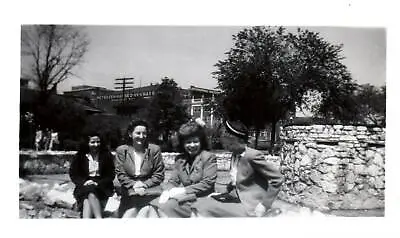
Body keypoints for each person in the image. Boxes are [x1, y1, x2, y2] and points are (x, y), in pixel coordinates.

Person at [192, 120, 284, 217]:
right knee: (199, 202)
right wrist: (221, 193)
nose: (226, 147)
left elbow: (277, 179)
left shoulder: (252, 156)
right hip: (237, 199)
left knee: (205, 207)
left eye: (229, 144)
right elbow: (238, 181)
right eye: (225, 144)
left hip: (250, 205)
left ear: (238, 141)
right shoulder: (234, 155)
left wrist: (264, 205)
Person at [150, 119, 217, 218]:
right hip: (186, 200)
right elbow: (173, 181)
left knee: (167, 208)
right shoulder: (179, 159)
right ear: (182, 144)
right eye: (188, 142)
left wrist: (183, 190)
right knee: (156, 205)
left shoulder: (208, 157)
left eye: (195, 141)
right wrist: (167, 191)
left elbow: (207, 183)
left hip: (203, 200)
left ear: (201, 142)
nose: (192, 145)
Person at [115, 119, 165, 218]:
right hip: (130, 189)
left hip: (150, 189)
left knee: (146, 209)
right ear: (130, 134)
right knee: (140, 210)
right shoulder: (122, 150)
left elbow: (159, 174)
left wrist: (144, 185)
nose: (141, 137)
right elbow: (121, 174)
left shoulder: (154, 150)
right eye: (138, 133)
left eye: (144, 133)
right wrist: (134, 185)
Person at [69, 132, 115, 218]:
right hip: (84, 185)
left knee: (89, 195)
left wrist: (98, 183)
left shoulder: (106, 155)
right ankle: (98, 218)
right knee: (89, 192)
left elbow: (111, 174)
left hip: (102, 187)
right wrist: (84, 182)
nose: (96, 145)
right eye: (92, 142)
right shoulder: (80, 156)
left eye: (98, 142)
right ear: (87, 143)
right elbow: (73, 174)